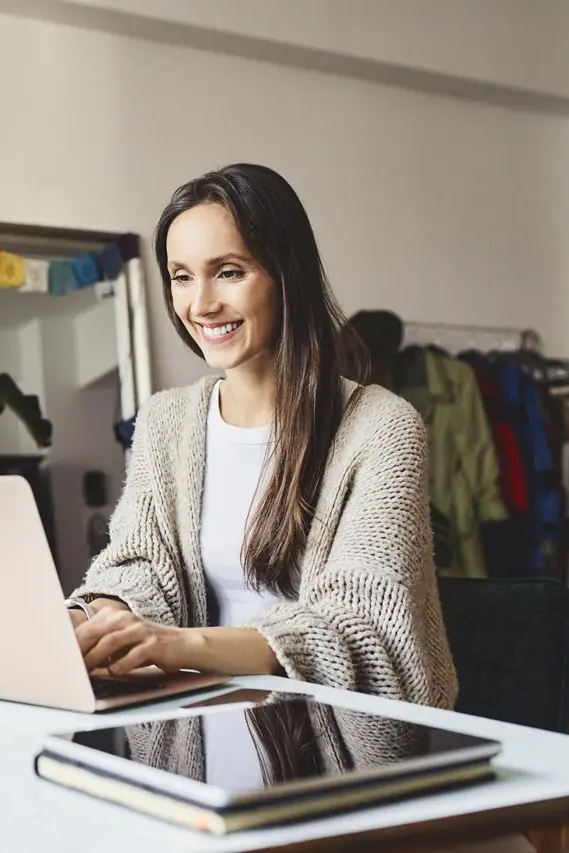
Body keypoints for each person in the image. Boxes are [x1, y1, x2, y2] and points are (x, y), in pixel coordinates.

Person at [64, 163, 458, 712]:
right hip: (196, 726)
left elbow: (361, 623)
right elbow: (139, 568)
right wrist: (86, 619)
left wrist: (185, 645)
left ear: (285, 274)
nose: (200, 304)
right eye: (181, 277)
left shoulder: (381, 428)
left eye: (228, 271)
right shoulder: (165, 421)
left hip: (336, 737)